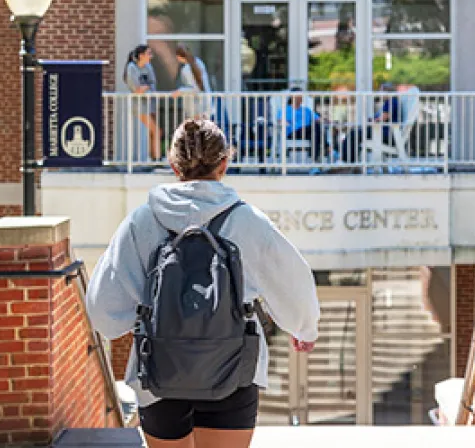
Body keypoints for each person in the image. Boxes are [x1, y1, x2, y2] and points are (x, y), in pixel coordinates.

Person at [86, 118, 320, 448]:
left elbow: (102, 312)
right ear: (224, 163)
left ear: (173, 164)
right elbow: (293, 283)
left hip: (158, 370)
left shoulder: (141, 221)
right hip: (233, 367)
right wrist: (304, 329)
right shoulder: (249, 221)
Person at [340, 82, 402, 163]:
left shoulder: (391, 102)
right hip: (383, 132)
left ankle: (347, 163)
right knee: (355, 133)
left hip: (385, 134)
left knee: (353, 134)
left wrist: (372, 121)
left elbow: (382, 118)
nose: (380, 94)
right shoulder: (391, 101)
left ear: (387, 91)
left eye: (381, 91)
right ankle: (350, 162)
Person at [124, 44, 163, 161]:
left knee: (155, 131)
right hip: (139, 105)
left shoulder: (148, 67)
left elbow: (152, 84)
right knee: (156, 130)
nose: (151, 56)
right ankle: (157, 159)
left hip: (150, 103)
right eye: (149, 54)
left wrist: (145, 88)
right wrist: (144, 88)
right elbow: (136, 89)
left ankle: (154, 158)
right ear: (141, 55)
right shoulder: (132, 67)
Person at [277, 87, 326, 162]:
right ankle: (328, 149)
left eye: (302, 95)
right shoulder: (285, 109)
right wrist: (284, 123)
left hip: (308, 132)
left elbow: (319, 119)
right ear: (292, 96)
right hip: (293, 133)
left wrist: (330, 122)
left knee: (315, 133)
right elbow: (280, 121)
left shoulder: (306, 110)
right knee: (315, 128)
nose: (301, 97)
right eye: (299, 95)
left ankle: (315, 163)